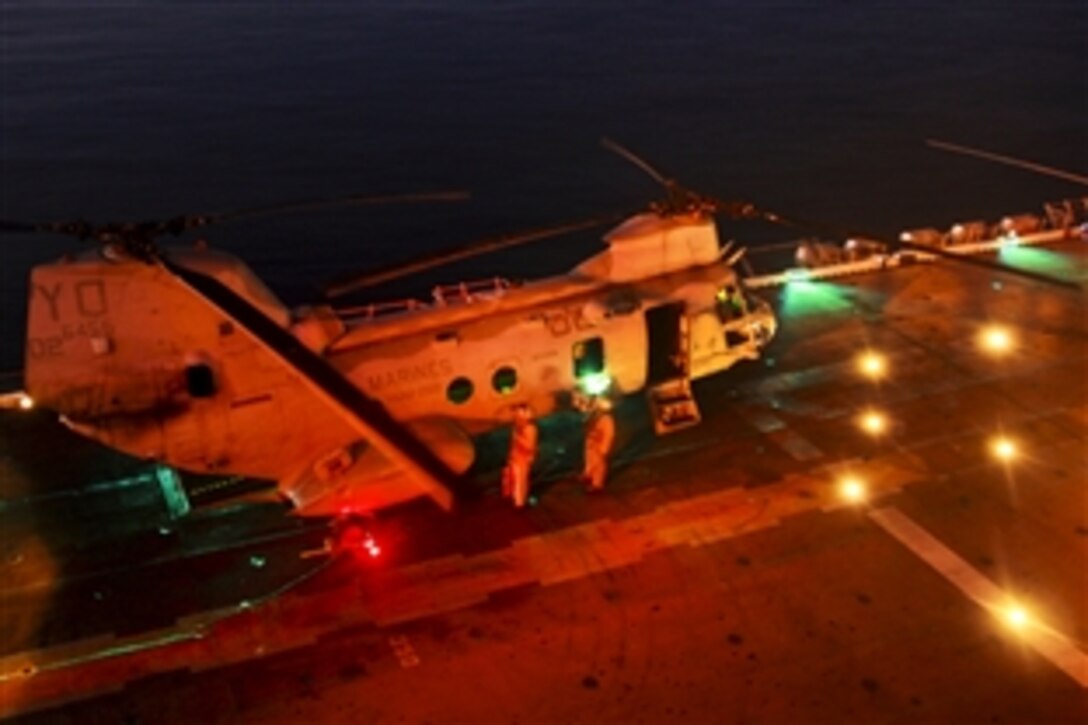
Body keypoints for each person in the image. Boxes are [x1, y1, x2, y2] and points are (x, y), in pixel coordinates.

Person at [504, 403, 538, 508]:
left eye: (520, 412)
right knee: (517, 479)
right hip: (517, 457)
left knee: (520, 480)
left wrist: (518, 438)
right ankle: (517, 500)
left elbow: (529, 445)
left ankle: (520, 502)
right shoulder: (518, 428)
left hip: (523, 458)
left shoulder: (530, 428)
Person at [582, 396, 615, 492]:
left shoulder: (607, 419)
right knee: (590, 459)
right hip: (592, 442)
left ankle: (597, 483)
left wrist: (604, 448)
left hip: (599, 444)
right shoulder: (595, 415)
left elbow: (609, 435)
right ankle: (588, 474)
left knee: (599, 464)